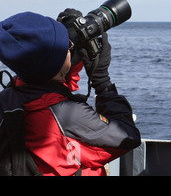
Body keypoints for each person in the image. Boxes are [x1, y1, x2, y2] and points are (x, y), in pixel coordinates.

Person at [0, 11, 141, 176]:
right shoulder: (68, 114)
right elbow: (128, 138)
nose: (70, 48)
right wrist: (103, 83)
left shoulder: (12, 93)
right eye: (68, 46)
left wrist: (66, 60)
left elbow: (51, 87)